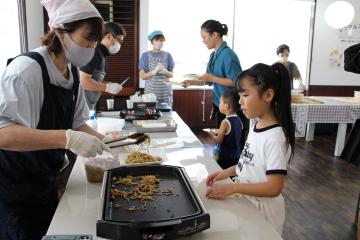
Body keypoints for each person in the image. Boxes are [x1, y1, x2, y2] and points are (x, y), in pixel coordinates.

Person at [0, 0, 113, 239]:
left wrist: (109, 142)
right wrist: (67, 138)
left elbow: (77, 123)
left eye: (95, 40)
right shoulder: (26, 71)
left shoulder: (70, 72)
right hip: (12, 186)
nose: (92, 47)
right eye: (87, 39)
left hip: (44, 180)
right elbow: (4, 133)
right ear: (61, 31)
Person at [205, 63, 295, 235]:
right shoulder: (255, 124)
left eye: (245, 95)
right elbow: (247, 164)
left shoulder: (275, 137)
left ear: (268, 95)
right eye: (239, 95)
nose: (240, 102)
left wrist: (233, 188)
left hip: (263, 209)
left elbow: (273, 188)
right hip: (246, 199)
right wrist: (225, 173)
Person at [80, 22, 126, 110]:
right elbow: (83, 81)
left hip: (88, 106)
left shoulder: (102, 54)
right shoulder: (95, 52)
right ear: (109, 37)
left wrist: (107, 83)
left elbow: (93, 79)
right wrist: (107, 87)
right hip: (81, 107)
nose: (119, 46)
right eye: (119, 41)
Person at [139, 30, 175, 106]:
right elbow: (142, 76)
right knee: (150, 113)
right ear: (152, 42)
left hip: (165, 93)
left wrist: (166, 72)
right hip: (150, 94)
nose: (159, 42)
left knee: (166, 115)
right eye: (157, 40)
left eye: (161, 40)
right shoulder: (145, 56)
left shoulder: (168, 55)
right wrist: (154, 72)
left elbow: (171, 75)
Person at [209, 89, 243, 169]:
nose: (219, 104)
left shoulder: (225, 122)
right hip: (236, 155)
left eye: (220, 103)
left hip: (225, 157)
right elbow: (231, 132)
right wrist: (217, 131)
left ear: (227, 106)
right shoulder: (239, 120)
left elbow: (219, 140)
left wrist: (210, 135)